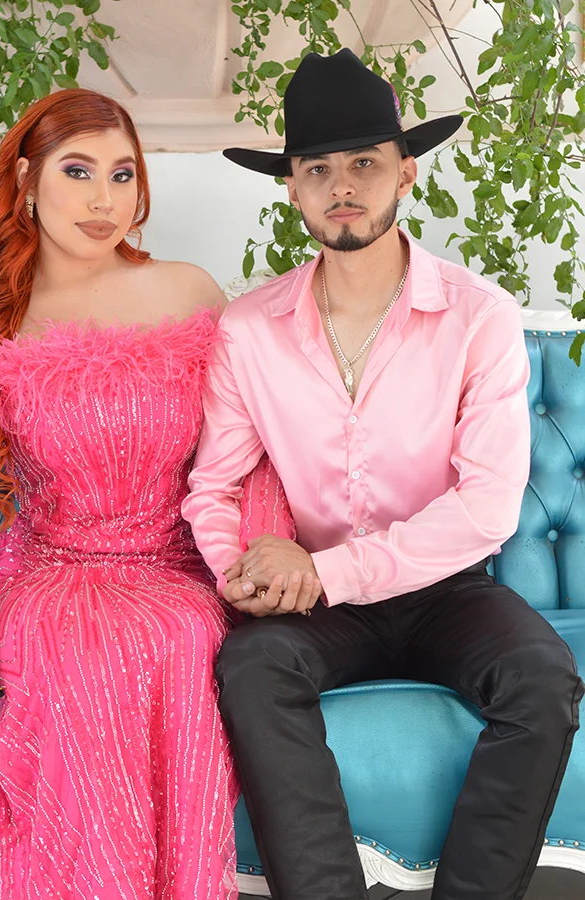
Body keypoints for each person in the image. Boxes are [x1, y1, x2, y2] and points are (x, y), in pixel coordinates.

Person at [183, 49, 584, 900]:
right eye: (317, 168)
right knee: (250, 667)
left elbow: (486, 508)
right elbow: (212, 487)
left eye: (364, 162)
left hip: (446, 587)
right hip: (317, 606)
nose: (342, 186)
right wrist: (239, 573)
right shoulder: (248, 331)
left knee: (544, 679)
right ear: (292, 190)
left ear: (406, 171)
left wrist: (325, 570)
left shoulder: (479, 317)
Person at [0, 88, 293, 900]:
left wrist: (258, 564)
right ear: (28, 181)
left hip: (174, 566)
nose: (104, 199)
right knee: (87, 643)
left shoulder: (190, 292)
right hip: (40, 572)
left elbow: (249, 455)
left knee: (177, 634)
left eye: (122, 174)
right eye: (78, 172)